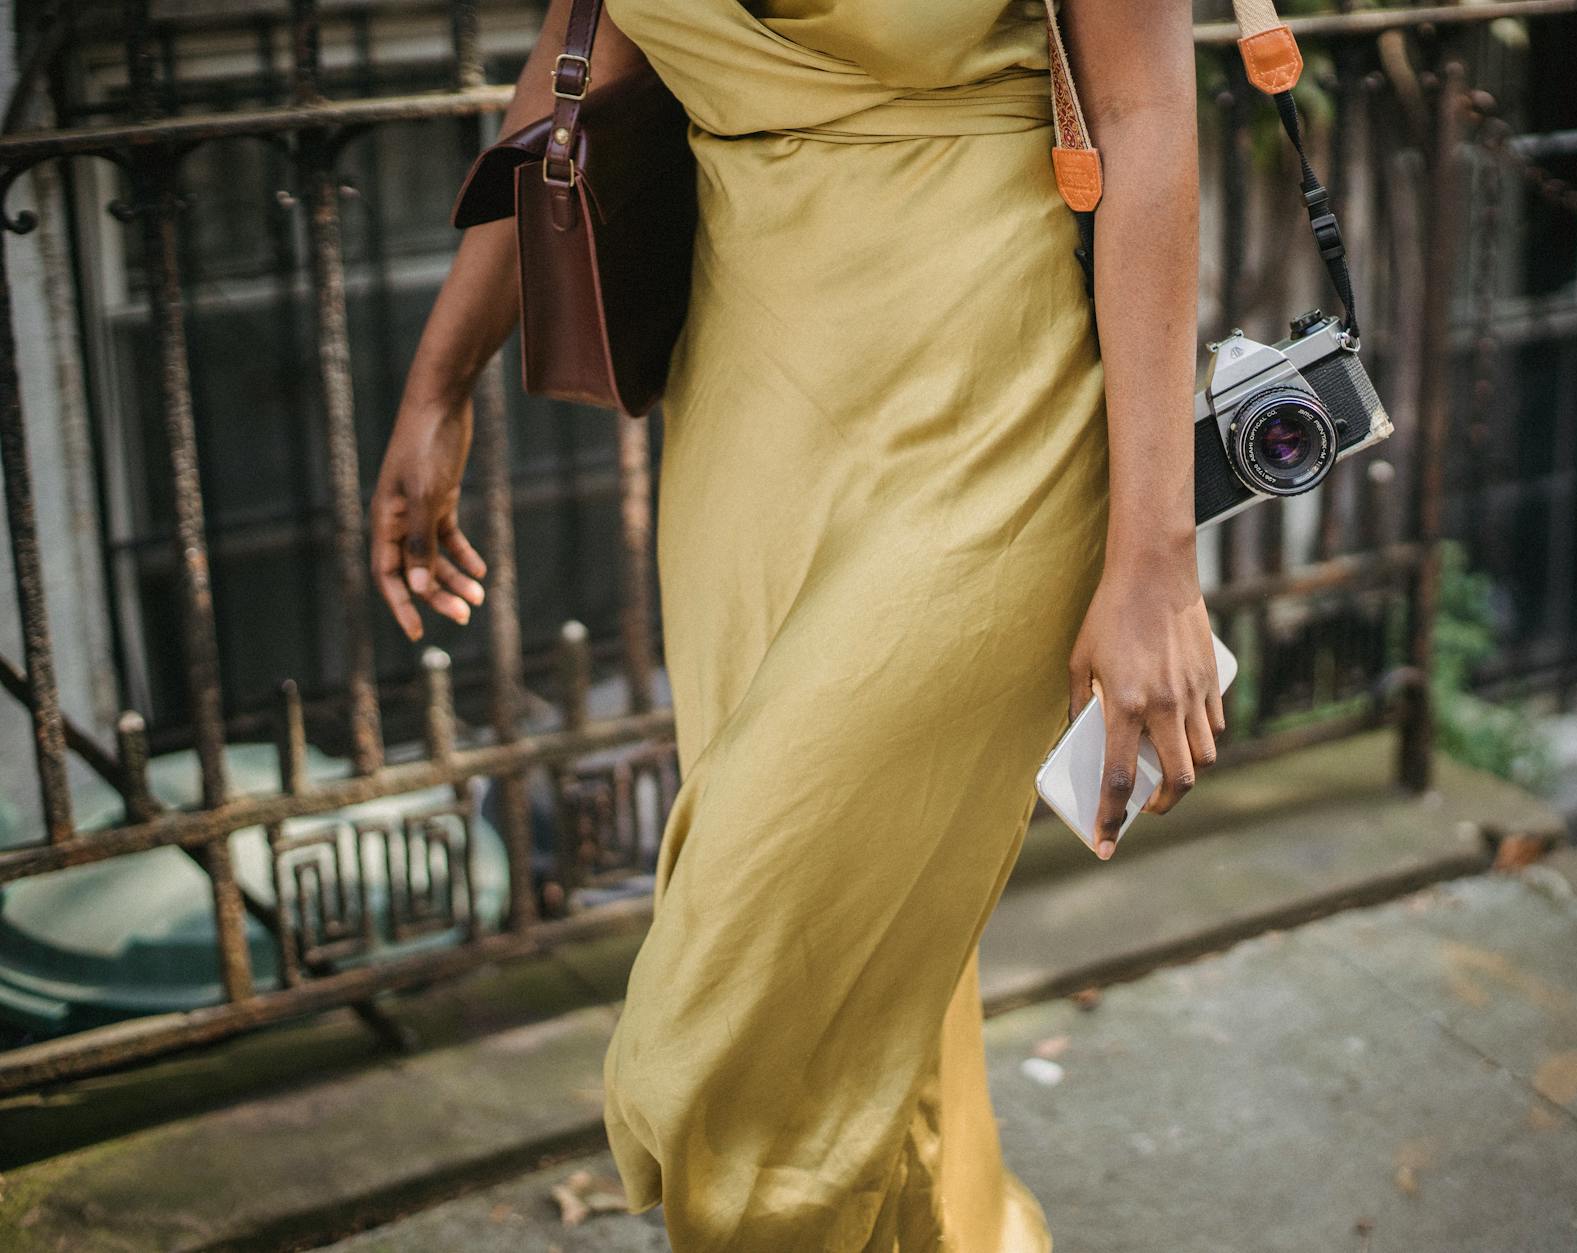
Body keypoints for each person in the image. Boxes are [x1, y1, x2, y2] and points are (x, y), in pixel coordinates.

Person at [369, 0, 1219, 1247]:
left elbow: (1144, 116)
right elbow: (580, 67)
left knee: (732, 1037)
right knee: (854, 937)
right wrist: (439, 378)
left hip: (992, 398)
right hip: (753, 406)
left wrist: (1154, 557)